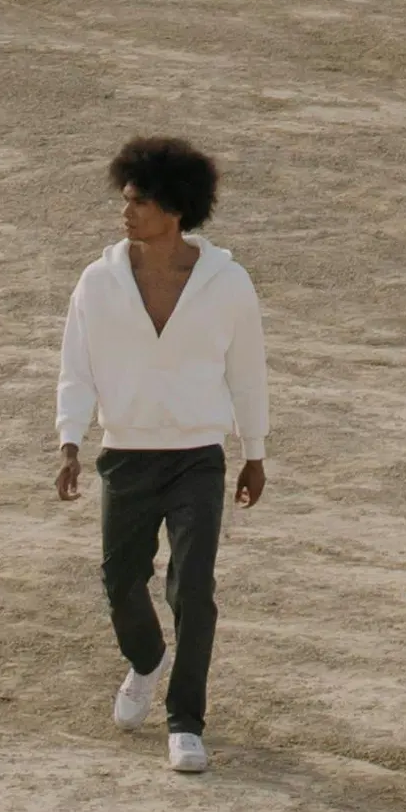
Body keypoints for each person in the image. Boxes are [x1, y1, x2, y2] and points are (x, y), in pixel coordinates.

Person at [54, 134, 267, 776]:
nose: (127, 210)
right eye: (126, 198)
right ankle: (147, 663)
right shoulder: (97, 282)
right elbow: (77, 366)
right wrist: (70, 439)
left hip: (198, 456)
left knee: (193, 590)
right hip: (126, 455)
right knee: (121, 581)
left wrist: (254, 451)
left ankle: (186, 723)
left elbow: (247, 372)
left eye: (140, 200)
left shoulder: (226, 283)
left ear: (174, 209)